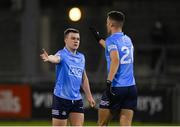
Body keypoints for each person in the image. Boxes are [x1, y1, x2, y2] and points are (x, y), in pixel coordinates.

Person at [90, 11, 137, 126]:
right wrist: (99, 39)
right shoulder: (128, 40)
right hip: (131, 88)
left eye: (107, 23)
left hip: (116, 87)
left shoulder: (111, 40)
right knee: (125, 124)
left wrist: (108, 82)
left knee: (102, 124)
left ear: (111, 24)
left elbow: (115, 60)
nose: (106, 25)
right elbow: (111, 48)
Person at [40, 28, 95, 126]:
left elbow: (84, 78)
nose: (76, 41)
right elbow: (56, 58)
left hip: (76, 100)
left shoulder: (81, 57)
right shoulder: (62, 54)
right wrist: (49, 58)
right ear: (66, 40)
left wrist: (89, 96)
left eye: (78, 39)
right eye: (73, 38)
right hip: (61, 98)